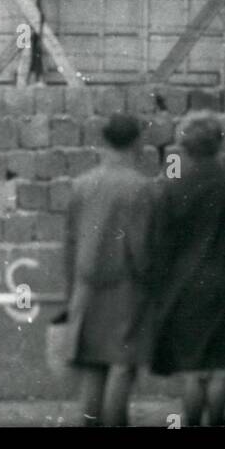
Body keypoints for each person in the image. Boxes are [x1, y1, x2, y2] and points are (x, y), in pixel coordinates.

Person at [151, 111, 225, 426]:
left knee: (194, 371)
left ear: (185, 146)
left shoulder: (173, 188)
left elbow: (161, 244)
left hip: (187, 289)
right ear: (220, 144)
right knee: (221, 368)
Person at [63, 113, 155, 427]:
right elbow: (141, 246)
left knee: (92, 367)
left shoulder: (81, 185)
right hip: (125, 289)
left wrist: (71, 291)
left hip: (87, 287)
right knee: (121, 366)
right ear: (137, 143)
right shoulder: (141, 188)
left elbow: (70, 242)